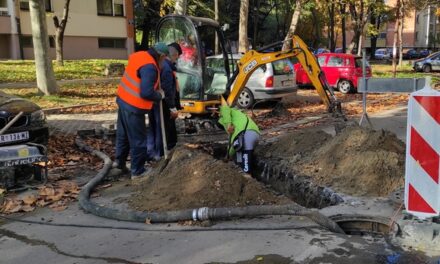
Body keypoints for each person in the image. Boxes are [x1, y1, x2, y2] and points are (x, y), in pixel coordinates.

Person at [114, 42, 169, 179]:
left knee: (123, 136)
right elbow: (146, 93)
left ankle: (119, 164)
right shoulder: (150, 67)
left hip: (123, 100)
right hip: (133, 106)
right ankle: (138, 172)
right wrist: (159, 95)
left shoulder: (140, 56)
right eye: (164, 58)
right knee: (138, 140)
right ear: (161, 55)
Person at [146, 43, 182, 160]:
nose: (177, 60)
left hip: (154, 102)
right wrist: (172, 108)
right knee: (162, 129)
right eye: (177, 57)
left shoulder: (162, 65)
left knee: (153, 128)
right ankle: (159, 155)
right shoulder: (166, 69)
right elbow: (168, 92)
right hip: (162, 104)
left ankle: (151, 152)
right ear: (173, 55)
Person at [218, 105, 260, 175]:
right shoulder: (238, 115)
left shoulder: (227, 112)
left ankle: (247, 177)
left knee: (246, 164)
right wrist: (228, 156)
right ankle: (240, 169)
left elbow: (225, 108)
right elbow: (234, 144)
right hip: (254, 134)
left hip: (247, 135)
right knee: (239, 150)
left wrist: (228, 157)